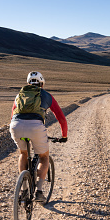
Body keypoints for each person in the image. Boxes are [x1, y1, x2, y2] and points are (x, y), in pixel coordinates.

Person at [10, 71, 67, 204]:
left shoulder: (20, 95)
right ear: (42, 83)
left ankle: (23, 190)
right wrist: (64, 136)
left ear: (28, 83)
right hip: (35, 127)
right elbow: (61, 119)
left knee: (23, 153)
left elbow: (12, 115)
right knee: (43, 157)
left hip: (16, 126)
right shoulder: (46, 96)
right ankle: (39, 191)